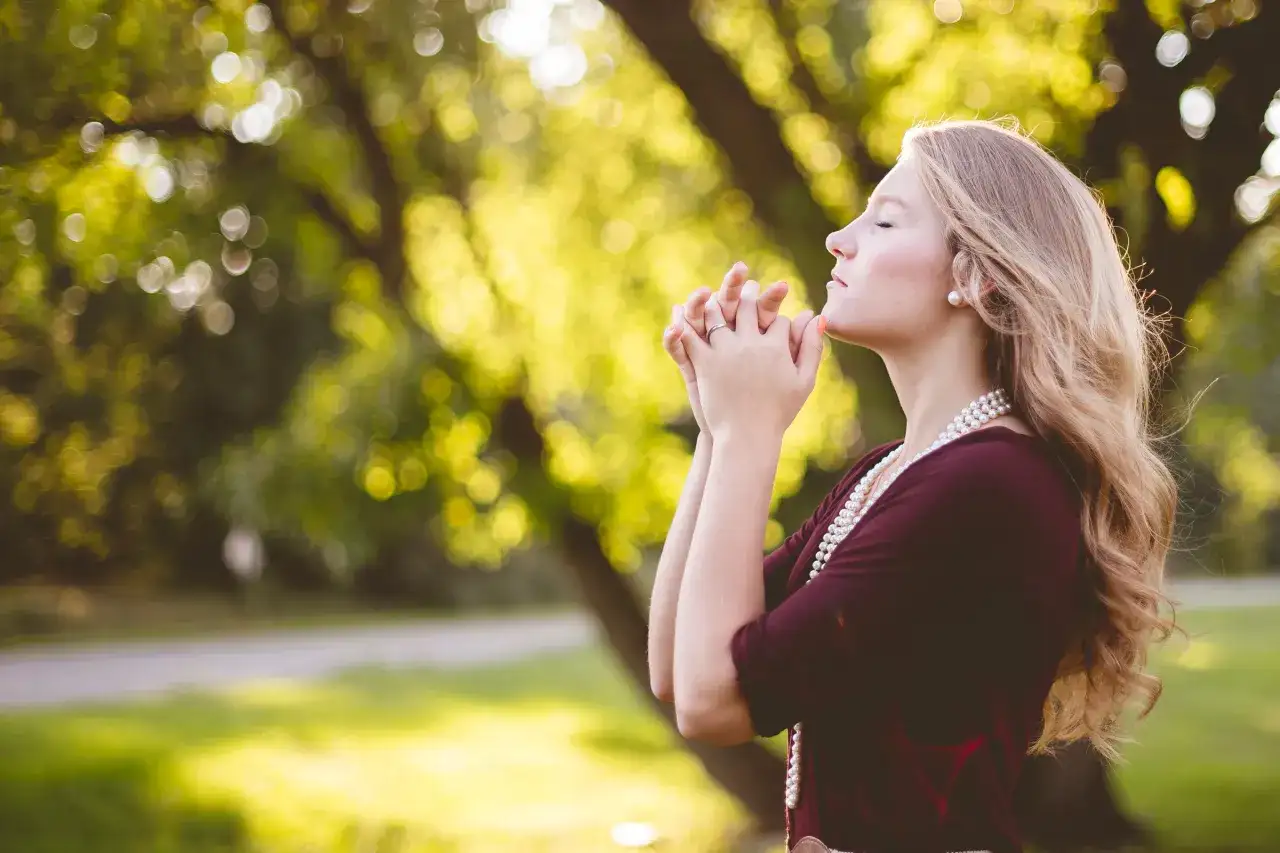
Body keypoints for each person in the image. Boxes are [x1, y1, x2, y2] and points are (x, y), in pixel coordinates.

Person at [646, 119, 1177, 853]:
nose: (841, 236)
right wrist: (717, 426)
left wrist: (750, 433)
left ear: (974, 275)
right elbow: (680, 666)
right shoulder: (893, 471)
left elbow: (716, 702)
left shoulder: (989, 485)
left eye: (885, 219)